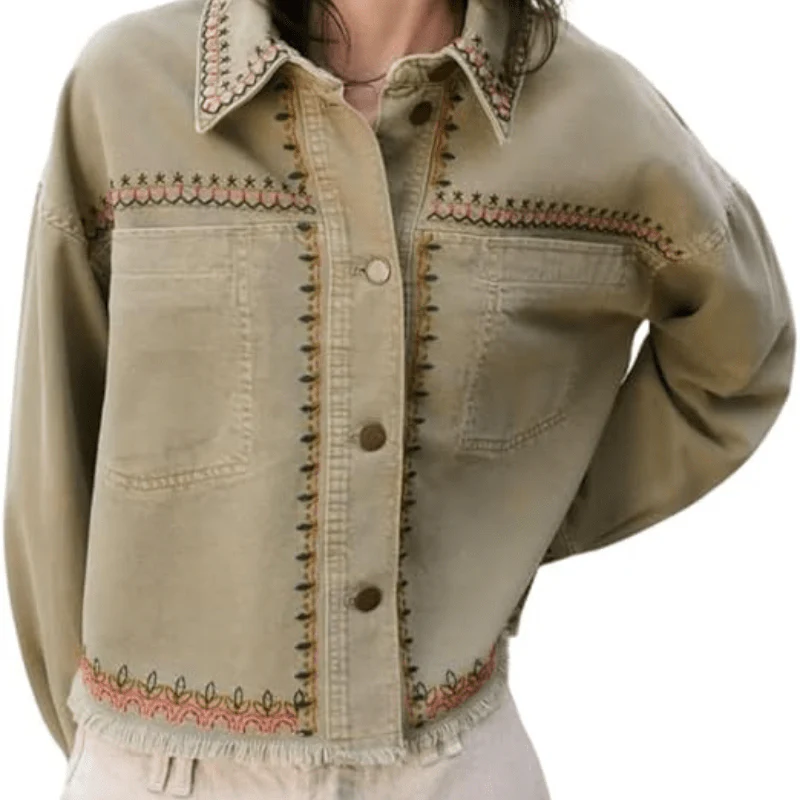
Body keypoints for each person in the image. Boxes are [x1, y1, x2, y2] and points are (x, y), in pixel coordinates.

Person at [3, 0, 794, 798]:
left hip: (454, 767)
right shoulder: (125, 90)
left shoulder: (601, 115)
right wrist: (109, 746)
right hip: (160, 767)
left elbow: (740, 354)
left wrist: (526, 511)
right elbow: (52, 458)